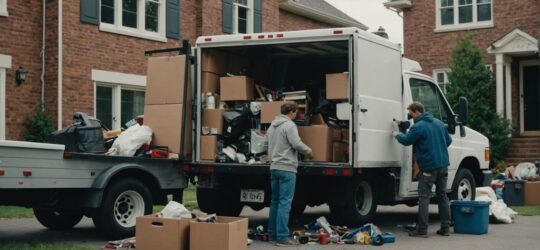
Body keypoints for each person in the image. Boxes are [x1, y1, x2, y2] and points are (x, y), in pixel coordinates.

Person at [392, 102, 452, 238]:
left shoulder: (418, 127)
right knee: (442, 195)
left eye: (411, 114)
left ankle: (422, 230)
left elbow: (407, 140)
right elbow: (448, 141)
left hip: (429, 167)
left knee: (424, 197)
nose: (411, 118)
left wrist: (396, 134)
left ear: (417, 112)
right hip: (443, 165)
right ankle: (445, 228)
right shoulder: (439, 123)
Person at [267, 102, 312, 246]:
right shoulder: (289, 125)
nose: (296, 115)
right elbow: (296, 144)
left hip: (274, 168)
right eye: (296, 112)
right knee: (285, 203)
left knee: (274, 202)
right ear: (291, 112)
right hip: (287, 168)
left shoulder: (272, 125)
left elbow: (264, 143)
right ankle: (282, 238)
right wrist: (309, 151)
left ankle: (272, 234)